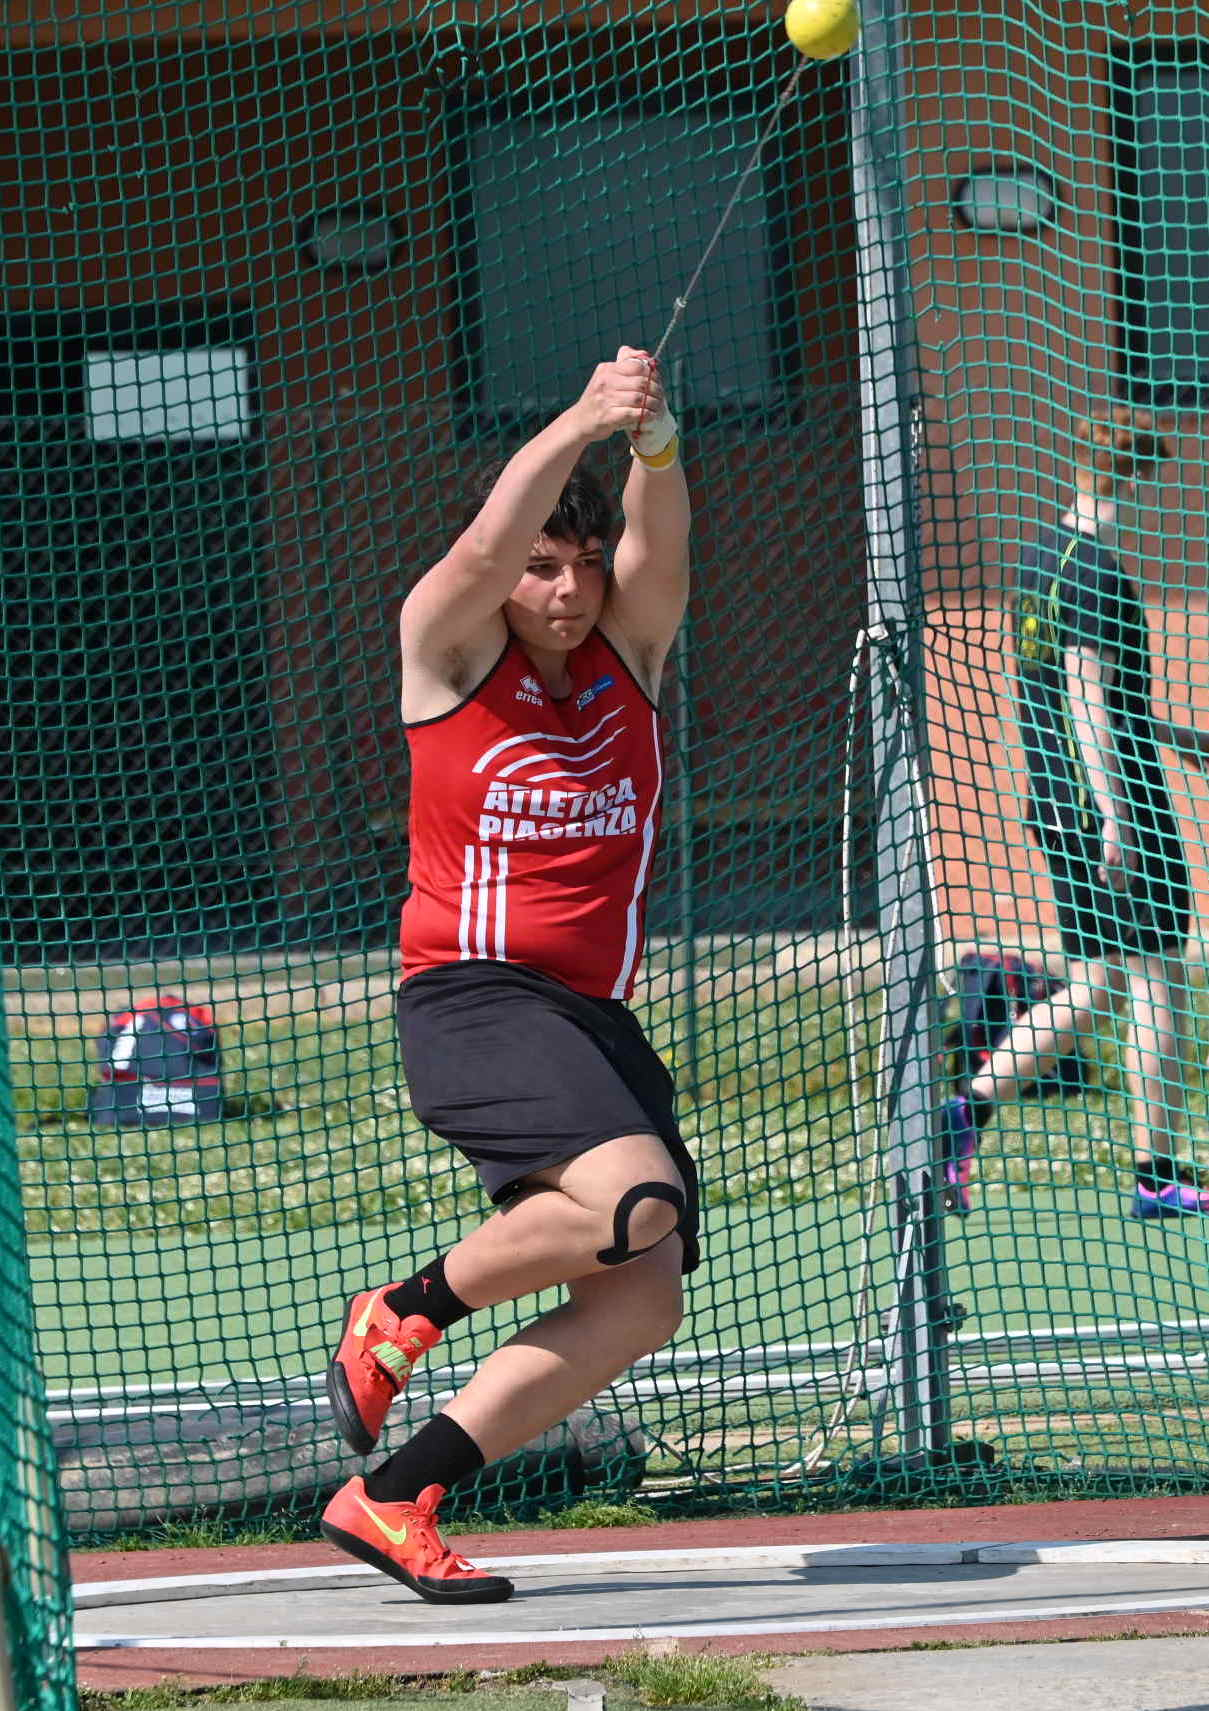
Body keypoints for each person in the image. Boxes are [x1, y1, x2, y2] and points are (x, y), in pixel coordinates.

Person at [319, 348, 696, 1604]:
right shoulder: (444, 652)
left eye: (585, 565)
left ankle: (390, 1493)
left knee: (642, 1294)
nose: (569, 588)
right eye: (546, 564)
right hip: (471, 998)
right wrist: (581, 414)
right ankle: (402, 1309)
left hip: (587, 1017)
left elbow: (660, 550)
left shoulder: (627, 662)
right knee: (631, 1199)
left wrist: (648, 443)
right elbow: (485, 544)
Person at [943, 406, 1208, 1220]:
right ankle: (1157, 1174)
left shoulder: (1038, 560)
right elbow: (1089, 700)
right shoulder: (1097, 570)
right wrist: (1121, 818)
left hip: (1055, 802)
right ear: (1134, 479)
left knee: (1095, 983)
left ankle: (959, 1114)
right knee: (1158, 975)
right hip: (1108, 807)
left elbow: (1071, 689)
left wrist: (1172, 734)